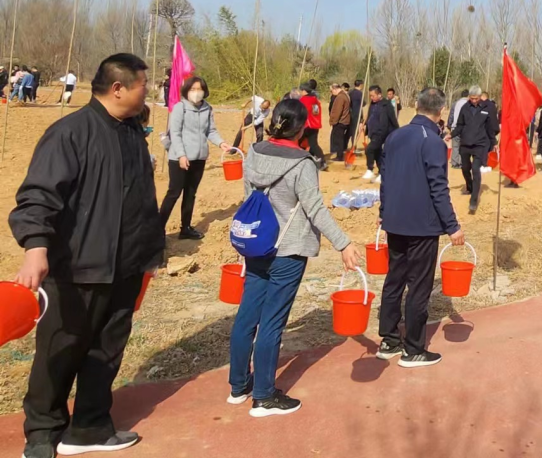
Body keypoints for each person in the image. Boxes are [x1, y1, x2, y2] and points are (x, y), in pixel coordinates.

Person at [9, 53, 165, 457]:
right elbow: (38, 196)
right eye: (143, 85)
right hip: (78, 267)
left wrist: (150, 255)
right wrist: (35, 248)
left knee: (106, 352)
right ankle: (42, 433)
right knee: (60, 351)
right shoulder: (70, 133)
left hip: (126, 266)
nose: (149, 91)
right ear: (118, 88)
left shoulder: (132, 131)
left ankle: (90, 427)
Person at [228, 99, 362, 416]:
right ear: (302, 128)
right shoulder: (303, 163)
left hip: (257, 244)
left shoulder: (255, 152)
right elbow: (315, 209)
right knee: (272, 322)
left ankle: (238, 386)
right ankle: (263, 397)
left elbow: (248, 195)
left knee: (247, 316)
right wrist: (343, 243)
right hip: (288, 251)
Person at [377, 87, 465, 367]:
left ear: (416, 105)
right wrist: (452, 226)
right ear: (441, 110)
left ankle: (389, 339)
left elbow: (385, 179)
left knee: (394, 279)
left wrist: (384, 212)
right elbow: (438, 187)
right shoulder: (433, 142)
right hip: (421, 226)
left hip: (395, 221)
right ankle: (413, 348)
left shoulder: (395, 136)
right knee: (418, 285)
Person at [161, 75, 229, 240]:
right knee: (174, 192)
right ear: (186, 91)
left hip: (199, 158)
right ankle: (157, 228)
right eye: (193, 89)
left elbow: (210, 131)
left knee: (190, 193)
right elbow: (175, 133)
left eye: (199, 89)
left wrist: (221, 143)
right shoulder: (180, 108)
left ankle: (186, 228)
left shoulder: (207, 109)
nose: (196, 92)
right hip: (179, 158)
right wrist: (181, 155)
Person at [451, 86, 499, 213]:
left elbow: (490, 128)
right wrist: (451, 134)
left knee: (476, 170)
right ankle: (470, 186)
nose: (473, 101)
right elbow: (460, 125)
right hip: (465, 144)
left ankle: (473, 201)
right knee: (465, 168)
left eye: (476, 98)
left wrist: (494, 142)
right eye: (471, 98)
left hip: (480, 145)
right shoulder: (465, 108)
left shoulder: (486, 108)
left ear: (479, 97)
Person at [363, 85, 399, 184]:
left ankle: (370, 169)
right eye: (370, 96)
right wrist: (365, 126)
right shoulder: (372, 104)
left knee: (369, 149)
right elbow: (370, 117)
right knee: (377, 154)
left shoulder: (386, 105)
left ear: (379, 94)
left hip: (382, 134)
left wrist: (395, 132)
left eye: (373, 96)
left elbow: (390, 121)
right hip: (373, 133)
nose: (371, 98)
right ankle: (381, 173)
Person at [298, 81, 327, 171]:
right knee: (313, 144)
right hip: (315, 125)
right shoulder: (315, 100)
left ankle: (300, 160)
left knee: (297, 143)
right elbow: (315, 112)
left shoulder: (303, 100)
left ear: (304, 91)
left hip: (306, 125)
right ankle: (322, 161)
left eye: (301, 91)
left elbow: (300, 112)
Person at [328, 83, 352, 162]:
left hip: (340, 122)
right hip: (344, 121)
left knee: (339, 139)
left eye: (331, 91)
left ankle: (339, 156)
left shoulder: (340, 97)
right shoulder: (345, 95)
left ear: (335, 89)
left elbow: (337, 111)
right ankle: (340, 155)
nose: (331, 93)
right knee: (340, 139)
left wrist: (333, 121)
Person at [448, 89, 469, 169]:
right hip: (463, 128)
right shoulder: (468, 104)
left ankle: (454, 163)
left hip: (454, 127)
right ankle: (461, 162)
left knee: (455, 146)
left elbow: (451, 115)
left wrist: (449, 125)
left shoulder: (455, 103)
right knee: (462, 146)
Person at [347, 79, 365, 150]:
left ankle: (351, 145)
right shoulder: (359, 93)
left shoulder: (350, 92)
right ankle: (353, 146)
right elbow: (363, 103)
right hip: (357, 114)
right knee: (354, 131)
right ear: (360, 85)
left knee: (351, 130)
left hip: (350, 113)